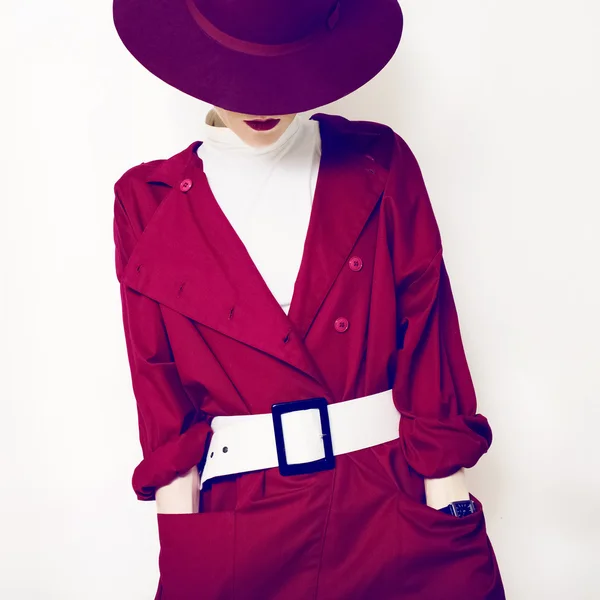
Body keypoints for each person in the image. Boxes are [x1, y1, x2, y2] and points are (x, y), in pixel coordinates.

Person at [112, 1, 505, 598]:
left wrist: (447, 515)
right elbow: (158, 387)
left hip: (391, 506)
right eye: (236, 68)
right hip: (239, 526)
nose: (260, 101)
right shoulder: (147, 199)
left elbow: (429, 338)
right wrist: (182, 543)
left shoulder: (379, 161)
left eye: (278, 68)